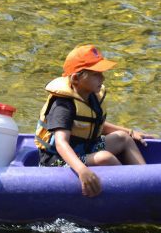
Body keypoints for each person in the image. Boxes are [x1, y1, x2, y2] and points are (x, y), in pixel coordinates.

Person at [35, 44, 152, 197]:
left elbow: (95, 125)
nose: (102, 78)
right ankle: (129, 194)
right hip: (58, 161)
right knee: (105, 157)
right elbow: (61, 143)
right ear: (76, 78)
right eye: (96, 74)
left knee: (123, 138)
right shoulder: (63, 105)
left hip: (84, 149)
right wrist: (82, 170)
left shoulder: (90, 95)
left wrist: (130, 132)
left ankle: (147, 182)